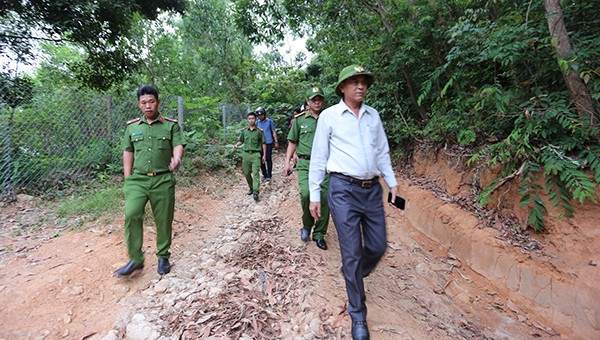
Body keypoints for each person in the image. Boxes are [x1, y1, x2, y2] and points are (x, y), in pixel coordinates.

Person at [308, 65, 399, 340]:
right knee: (351, 251)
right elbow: (319, 156)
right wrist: (314, 194)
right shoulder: (329, 116)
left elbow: (381, 151)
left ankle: (352, 273)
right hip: (342, 190)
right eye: (354, 82)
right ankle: (358, 316)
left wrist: (391, 182)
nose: (360, 86)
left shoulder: (373, 116)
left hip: (371, 190)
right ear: (342, 88)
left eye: (364, 82)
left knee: (378, 245)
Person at [115, 85, 186, 277]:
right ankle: (135, 259)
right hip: (137, 180)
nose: (148, 106)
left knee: (163, 219)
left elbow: (178, 144)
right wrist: (127, 178)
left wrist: (177, 159)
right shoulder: (132, 127)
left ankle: (163, 256)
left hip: (163, 179)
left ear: (158, 102)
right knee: (132, 214)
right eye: (144, 102)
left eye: (151, 101)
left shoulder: (170, 125)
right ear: (139, 105)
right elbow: (128, 151)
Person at [283, 86, 330, 250]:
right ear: (308, 102)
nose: (317, 102)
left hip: (325, 165)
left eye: (320, 99)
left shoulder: (329, 118)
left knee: (325, 198)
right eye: (313, 99)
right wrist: (287, 161)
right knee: (306, 194)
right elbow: (292, 141)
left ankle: (319, 234)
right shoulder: (300, 120)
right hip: (305, 164)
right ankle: (307, 225)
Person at [233, 111, 266, 201]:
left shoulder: (259, 132)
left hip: (256, 154)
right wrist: (236, 145)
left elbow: (263, 143)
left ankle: (256, 192)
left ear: (255, 119)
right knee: (247, 173)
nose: (251, 120)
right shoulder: (244, 131)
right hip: (246, 154)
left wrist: (264, 156)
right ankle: (251, 188)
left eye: (253, 118)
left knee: (256, 173)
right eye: (249, 119)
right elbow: (241, 141)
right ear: (247, 120)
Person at [255, 107, 278, 181]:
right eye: (258, 116)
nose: (260, 117)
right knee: (261, 159)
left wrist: (276, 141)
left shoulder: (269, 122)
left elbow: (273, 131)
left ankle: (269, 174)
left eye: (261, 115)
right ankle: (264, 174)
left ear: (264, 114)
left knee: (268, 158)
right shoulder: (257, 123)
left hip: (268, 142)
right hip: (260, 143)